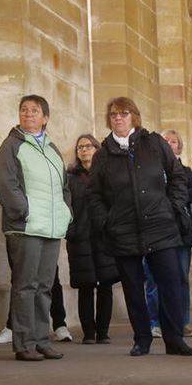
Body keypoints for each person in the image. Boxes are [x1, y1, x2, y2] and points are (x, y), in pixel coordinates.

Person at [87, 97, 192, 357]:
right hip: (123, 229)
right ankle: (142, 339)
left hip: (160, 225)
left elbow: (177, 176)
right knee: (133, 288)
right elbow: (94, 195)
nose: (118, 118)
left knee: (169, 283)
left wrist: (173, 207)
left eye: (124, 113)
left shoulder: (155, 143)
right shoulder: (103, 154)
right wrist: (107, 220)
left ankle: (174, 339)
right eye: (113, 114)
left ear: (134, 116)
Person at [0, 95, 73, 361]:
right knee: (25, 286)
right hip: (26, 227)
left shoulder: (52, 149)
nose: (28, 114)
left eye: (35, 110)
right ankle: (24, 343)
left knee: (44, 287)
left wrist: (66, 213)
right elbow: (7, 184)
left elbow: (63, 188)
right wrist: (24, 211)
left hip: (51, 228)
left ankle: (41, 339)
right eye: (24, 110)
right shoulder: (11, 145)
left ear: (45, 118)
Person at [65, 134, 118, 344]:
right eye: (80, 147)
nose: (84, 150)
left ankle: (103, 332)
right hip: (80, 237)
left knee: (105, 284)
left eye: (89, 146)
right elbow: (65, 205)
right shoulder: (70, 178)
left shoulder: (106, 174)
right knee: (86, 285)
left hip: (103, 235)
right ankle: (88, 332)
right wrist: (71, 231)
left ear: (97, 149)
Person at [163, 129, 192, 337]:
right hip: (158, 231)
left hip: (181, 231)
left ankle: (182, 322)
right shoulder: (151, 169)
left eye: (174, 141)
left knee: (181, 277)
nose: (170, 143)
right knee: (156, 279)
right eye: (166, 141)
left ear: (178, 147)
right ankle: (157, 322)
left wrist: (178, 196)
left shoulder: (185, 171)